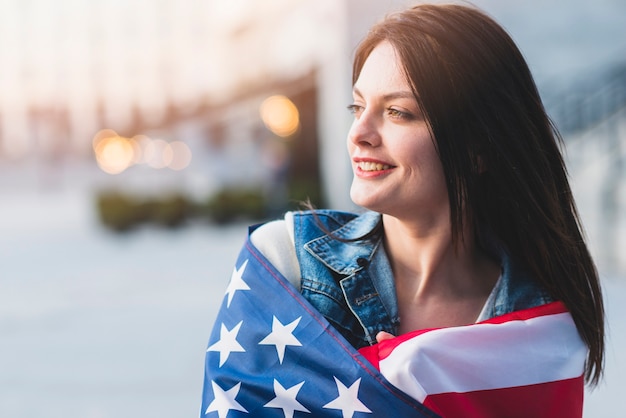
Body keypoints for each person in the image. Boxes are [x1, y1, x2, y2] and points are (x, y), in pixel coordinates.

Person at [202, 3, 604, 417]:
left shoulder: (539, 319)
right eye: (357, 108)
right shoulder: (284, 265)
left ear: (478, 148)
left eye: (398, 112)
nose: (359, 134)